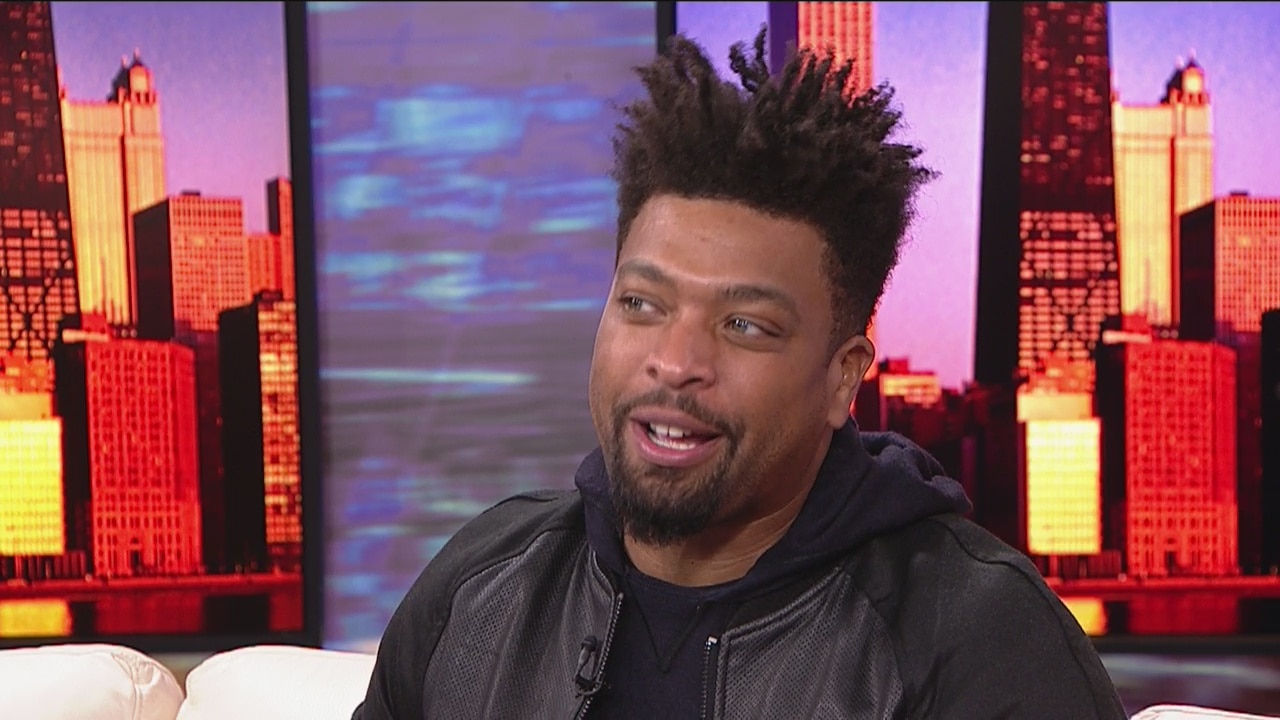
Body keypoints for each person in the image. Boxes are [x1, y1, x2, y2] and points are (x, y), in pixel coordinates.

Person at [352, 28, 1127, 720]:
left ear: (842, 377)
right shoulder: (483, 586)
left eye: (744, 326)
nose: (676, 362)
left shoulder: (979, 645)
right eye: (642, 304)